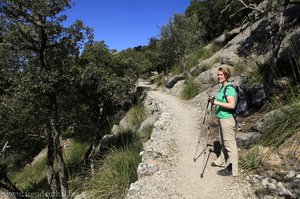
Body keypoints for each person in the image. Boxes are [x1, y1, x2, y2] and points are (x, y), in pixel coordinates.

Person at [210, 67, 238, 177]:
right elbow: (221, 101)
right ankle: (221, 160)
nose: (219, 76)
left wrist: (216, 102)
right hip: (222, 118)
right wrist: (213, 100)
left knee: (230, 144)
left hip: (227, 119)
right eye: (218, 74)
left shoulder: (229, 88)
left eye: (221, 74)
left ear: (226, 75)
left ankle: (232, 169)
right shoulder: (222, 87)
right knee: (223, 141)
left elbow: (232, 105)